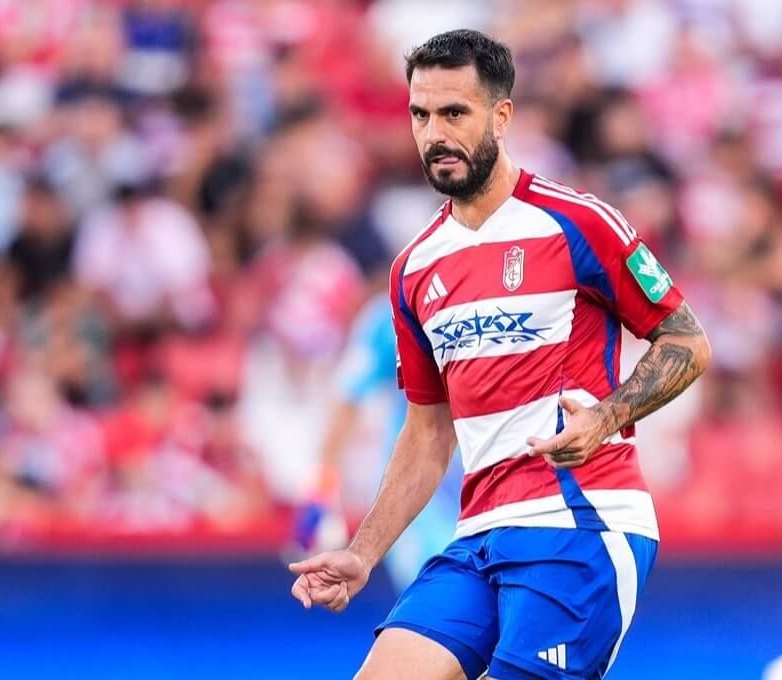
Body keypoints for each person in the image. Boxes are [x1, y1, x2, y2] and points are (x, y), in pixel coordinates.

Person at [289, 30, 711, 680]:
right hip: (477, 537)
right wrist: (364, 551)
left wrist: (604, 417)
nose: (434, 133)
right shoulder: (413, 269)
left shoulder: (578, 223)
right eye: (420, 115)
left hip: (580, 523)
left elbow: (686, 341)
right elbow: (428, 432)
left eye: (454, 113)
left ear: (501, 116)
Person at [292, 282, 463, 593]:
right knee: (437, 607)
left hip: (501, 489)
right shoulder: (398, 308)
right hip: (423, 503)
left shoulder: (535, 291)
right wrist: (321, 491)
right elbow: (347, 400)